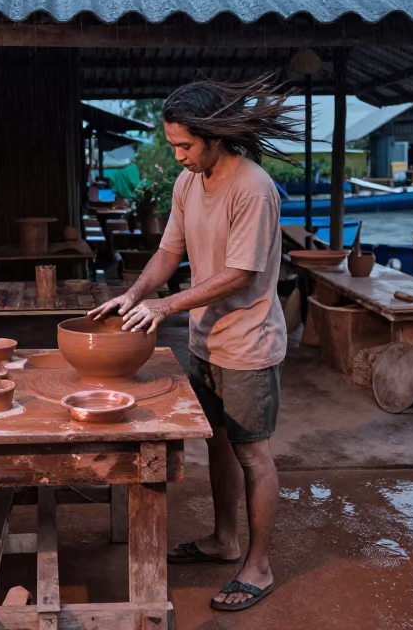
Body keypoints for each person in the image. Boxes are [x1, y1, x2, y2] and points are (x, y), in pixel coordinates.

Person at [89, 77, 301, 612]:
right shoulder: (189, 182)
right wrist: (134, 293)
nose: (178, 156)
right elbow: (168, 252)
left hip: (249, 342)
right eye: (173, 146)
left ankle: (259, 565)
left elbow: (239, 273)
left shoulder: (251, 187)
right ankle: (224, 539)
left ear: (215, 137)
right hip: (207, 338)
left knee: (253, 453)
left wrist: (165, 307)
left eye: (185, 146)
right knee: (218, 443)